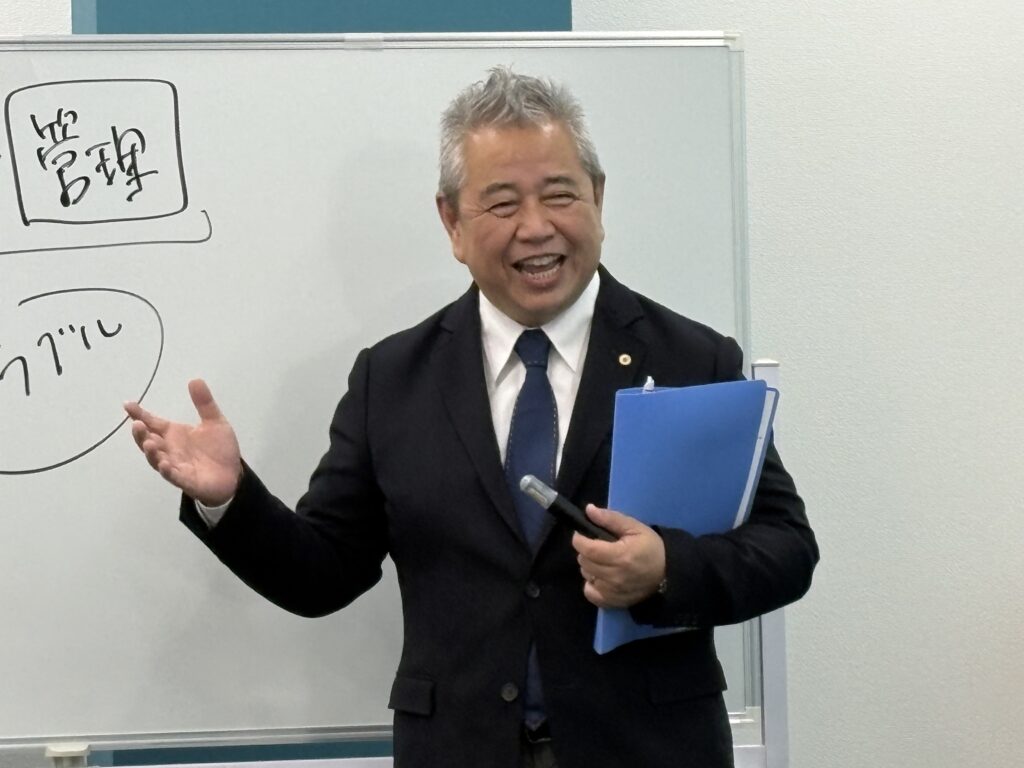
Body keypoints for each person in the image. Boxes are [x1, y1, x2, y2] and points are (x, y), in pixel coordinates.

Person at [125, 67, 818, 768]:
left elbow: (786, 548)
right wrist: (230, 499)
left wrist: (667, 567)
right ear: (453, 223)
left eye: (560, 195)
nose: (536, 227)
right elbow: (324, 574)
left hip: (648, 749)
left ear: (599, 198)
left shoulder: (691, 357)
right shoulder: (392, 379)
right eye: (502, 204)